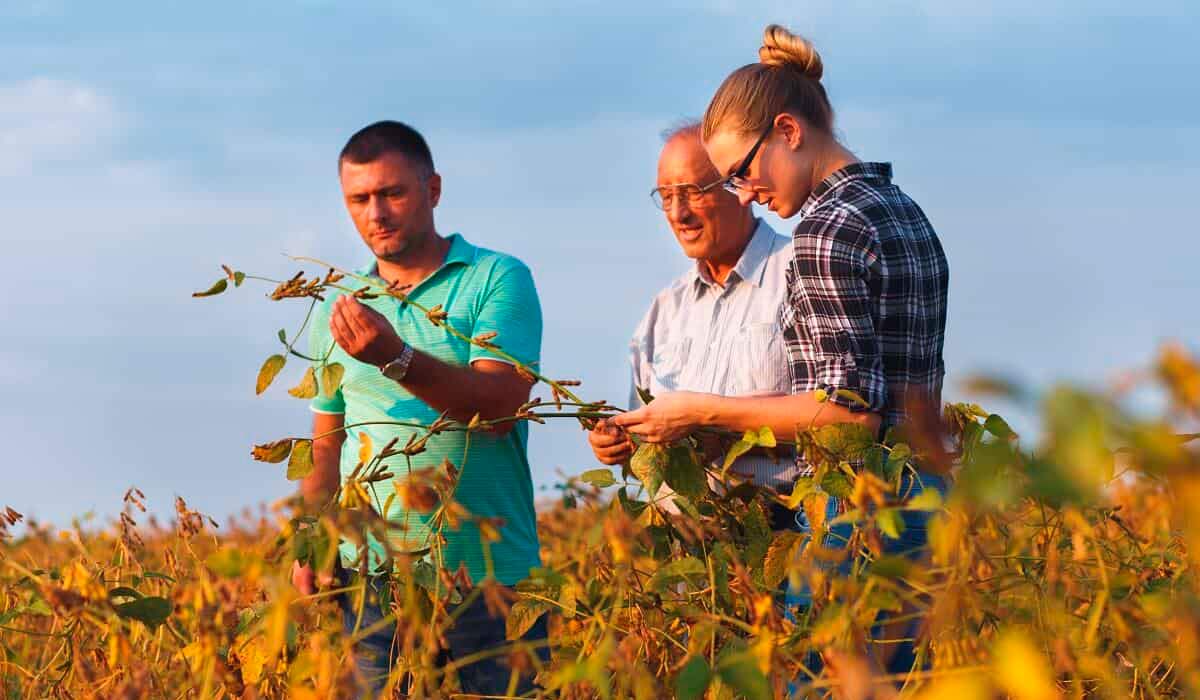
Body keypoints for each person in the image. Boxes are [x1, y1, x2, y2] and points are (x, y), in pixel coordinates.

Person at [610, 25, 950, 675]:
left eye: (740, 171)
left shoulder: (824, 232)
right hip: (927, 508)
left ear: (788, 132)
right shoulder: (898, 207)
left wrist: (699, 411)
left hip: (855, 517)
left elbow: (850, 416)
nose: (743, 192)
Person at [290, 120, 547, 696]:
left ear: (432, 190)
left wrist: (395, 356)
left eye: (392, 193)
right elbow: (327, 443)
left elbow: (500, 407)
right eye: (359, 199)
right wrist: (309, 537)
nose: (376, 213)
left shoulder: (495, 279)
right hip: (373, 589)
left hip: (489, 585)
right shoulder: (340, 305)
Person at [588, 121, 802, 521]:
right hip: (690, 552)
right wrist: (623, 445)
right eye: (665, 196)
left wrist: (715, 431)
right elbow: (649, 445)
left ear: (738, 184)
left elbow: (837, 415)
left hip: (784, 533)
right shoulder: (665, 310)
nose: (677, 213)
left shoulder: (799, 275)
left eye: (690, 193)